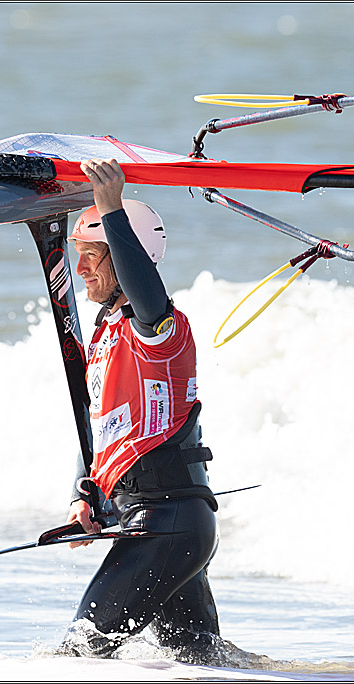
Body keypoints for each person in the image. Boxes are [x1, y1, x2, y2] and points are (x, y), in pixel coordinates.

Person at [58, 158, 220, 661]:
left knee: (78, 657)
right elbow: (103, 433)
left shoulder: (161, 331)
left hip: (167, 521)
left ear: (131, 255)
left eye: (93, 256)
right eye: (76, 255)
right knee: (202, 665)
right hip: (150, 520)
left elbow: (149, 299)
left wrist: (111, 209)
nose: (80, 267)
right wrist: (85, 491)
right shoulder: (107, 336)